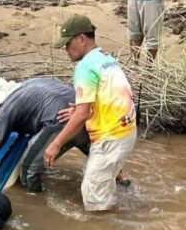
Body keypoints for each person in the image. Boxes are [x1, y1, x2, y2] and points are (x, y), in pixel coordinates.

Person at [44, 14, 137, 212]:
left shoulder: (85, 67)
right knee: (99, 186)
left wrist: (55, 144)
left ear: (82, 39)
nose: (66, 50)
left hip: (111, 136)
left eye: (68, 44)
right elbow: (109, 94)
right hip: (126, 130)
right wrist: (82, 108)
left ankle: (110, 228)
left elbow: (82, 115)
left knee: (94, 200)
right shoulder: (105, 58)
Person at [0, 77, 92, 192]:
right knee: (95, 156)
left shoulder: (6, 107)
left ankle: (37, 197)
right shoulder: (31, 85)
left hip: (61, 120)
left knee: (28, 170)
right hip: (83, 114)